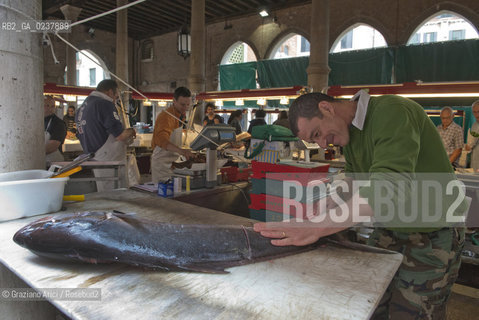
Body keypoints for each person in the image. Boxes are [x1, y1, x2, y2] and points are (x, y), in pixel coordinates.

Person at [254, 90, 466, 319]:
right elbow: (356, 178)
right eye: (314, 141)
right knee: (369, 304)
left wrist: (317, 227)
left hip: (432, 233)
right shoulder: (351, 132)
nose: (323, 144)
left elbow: (387, 187)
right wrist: (330, 201)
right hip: (390, 229)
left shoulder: (392, 112)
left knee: (414, 313)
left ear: (327, 108)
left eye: (318, 133)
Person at [75, 79, 136, 191]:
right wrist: (132, 131)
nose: (115, 100)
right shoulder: (104, 104)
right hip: (108, 156)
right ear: (109, 92)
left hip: (93, 155)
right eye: (116, 96)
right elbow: (120, 136)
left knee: (103, 191)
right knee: (115, 192)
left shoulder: (83, 107)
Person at [151, 87, 194, 183]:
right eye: (182, 104)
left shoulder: (181, 115)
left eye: (188, 105)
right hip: (161, 164)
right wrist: (181, 151)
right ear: (174, 101)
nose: (185, 108)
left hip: (172, 163)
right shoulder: (166, 117)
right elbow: (162, 141)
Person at [44, 95, 67, 165]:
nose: (50, 109)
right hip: (39, 161)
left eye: (52, 106)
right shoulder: (34, 120)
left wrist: (31, 154)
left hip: (53, 163)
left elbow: (52, 146)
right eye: (47, 106)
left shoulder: (58, 123)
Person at [465, 100, 479, 171]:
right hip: (475, 163)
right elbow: (472, 142)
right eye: (474, 112)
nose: (477, 115)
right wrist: (468, 147)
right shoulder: (474, 125)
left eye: (478, 112)